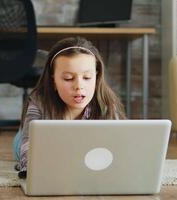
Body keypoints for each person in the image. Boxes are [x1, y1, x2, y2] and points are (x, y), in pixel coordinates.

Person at [12, 37, 126, 177]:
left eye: (87, 77)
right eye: (68, 78)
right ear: (53, 81)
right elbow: (28, 145)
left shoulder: (106, 103)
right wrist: (29, 168)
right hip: (33, 141)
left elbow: (117, 146)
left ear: (96, 78)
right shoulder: (39, 101)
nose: (79, 86)